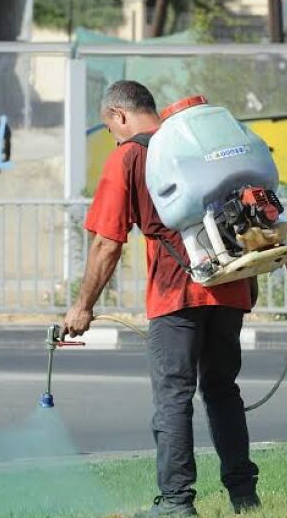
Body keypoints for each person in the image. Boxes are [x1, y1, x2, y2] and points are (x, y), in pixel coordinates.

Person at [62, 80, 260, 517]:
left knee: (173, 396)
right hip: (229, 283)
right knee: (223, 391)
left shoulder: (130, 156)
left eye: (110, 128)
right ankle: (245, 497)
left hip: (177, 291)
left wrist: (82, 306)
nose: (113, 136)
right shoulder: (194, 143)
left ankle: (176, 502)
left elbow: (106, 244)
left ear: (118, 115)